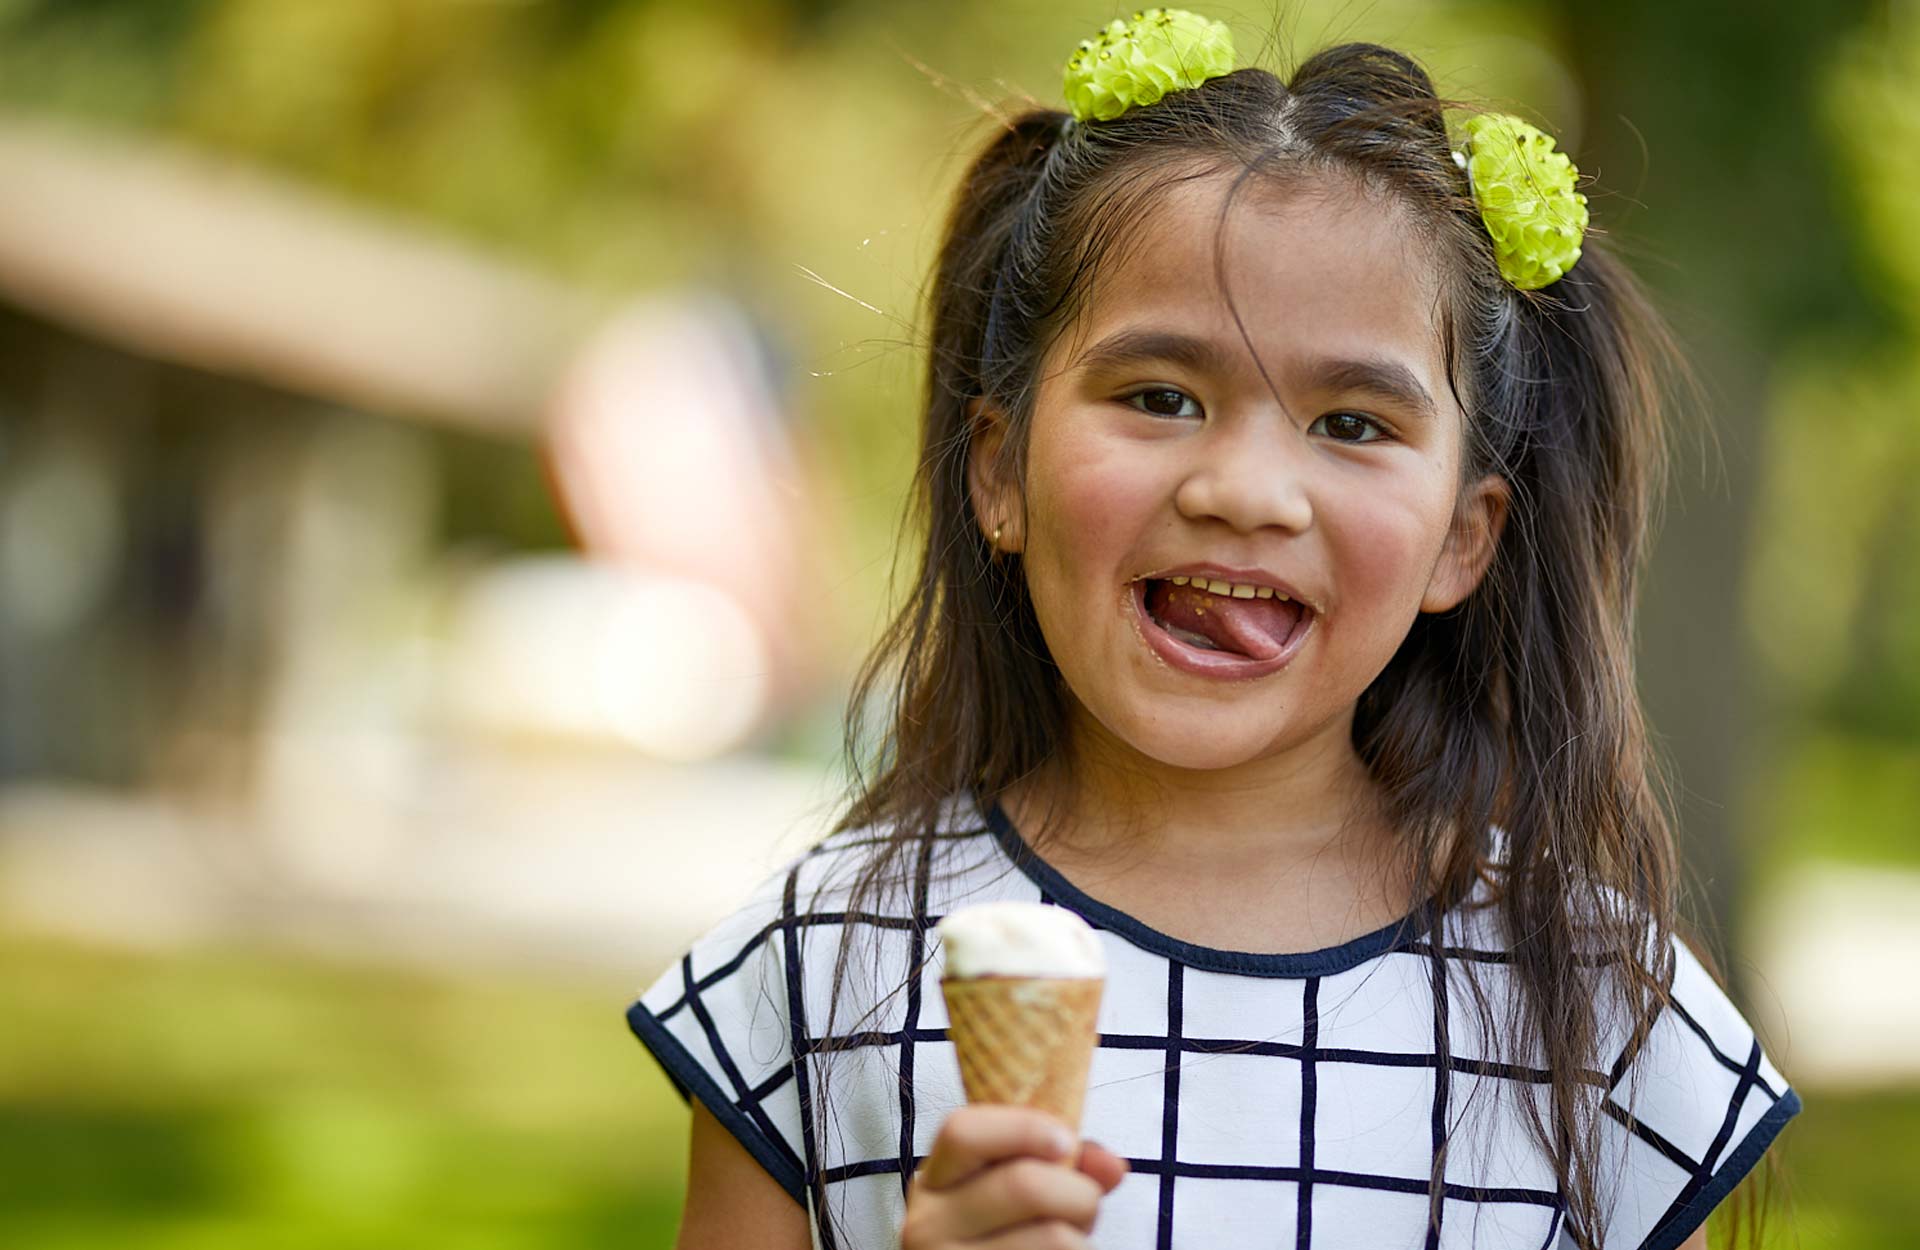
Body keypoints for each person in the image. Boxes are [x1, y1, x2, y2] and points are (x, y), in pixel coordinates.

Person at [625, 11, 1799, 1249]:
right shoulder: (820, 970)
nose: (1243, 489)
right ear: (998, 471)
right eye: (1160, 396)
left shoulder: (1603, 1012)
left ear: (1465, 536)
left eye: (1352, 423)